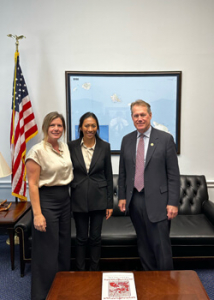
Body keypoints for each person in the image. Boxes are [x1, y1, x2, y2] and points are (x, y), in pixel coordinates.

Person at [118, 100, 180, 271]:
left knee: (161, 247)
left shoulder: (165, 139)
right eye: (136, 115)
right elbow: (123, 172)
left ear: (150, 115)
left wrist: (173, 202)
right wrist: (122, 196)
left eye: (143, 115)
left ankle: (166, 285)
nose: (140, 118)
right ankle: (150, 282)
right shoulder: (127, 140)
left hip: (159, 201)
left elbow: (173, 174)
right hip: (135, 200)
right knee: (143, 245)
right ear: (132, 117)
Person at [26, 112, 74, 300]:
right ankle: (43, 294)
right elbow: (32, 184)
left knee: (63, 247)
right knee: (47, 249)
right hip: (46, 202)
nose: (56, 129)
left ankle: (61, 290)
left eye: (59, 126)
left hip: (64, 200)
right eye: (53, 125)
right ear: (46, 127)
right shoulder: (37, 151)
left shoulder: (64, 147)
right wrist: (37, 214)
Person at [68, 112, 113, 271]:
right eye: (86, 125)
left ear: (97, 127)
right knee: (81, 238)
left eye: (93, 125)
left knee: (95, 238)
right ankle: (81, 271)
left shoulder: (105, 146)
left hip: (99, 199)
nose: (90, 129)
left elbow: (108, 176)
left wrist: (109, 203)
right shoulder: (71, 146)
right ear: (80, 127)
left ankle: (94, 271)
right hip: (78, 197)